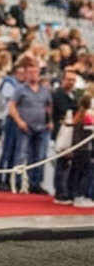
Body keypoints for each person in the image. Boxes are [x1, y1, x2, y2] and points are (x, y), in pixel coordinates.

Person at [8, 59, 53, 195]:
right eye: (30, 72)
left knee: (40, 156)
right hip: (25, 127)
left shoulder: (45, 91)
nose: (33, 75)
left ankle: (36, 183)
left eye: (35, 72)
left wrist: (50, 121)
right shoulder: (20, 90)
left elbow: (48, 106)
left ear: (39, 73)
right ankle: (17, 183)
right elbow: (12, 106)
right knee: (21, 155)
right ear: (26, 74)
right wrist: (19, 121)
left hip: (41, 127)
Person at [52, 69, 78, 203]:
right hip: (62, 132)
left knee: (71, 163)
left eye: (73, 80)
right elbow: (65, 110)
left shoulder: (74, 95)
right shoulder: (59, 95)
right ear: (63, 80)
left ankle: (69, 190)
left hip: (73, 133)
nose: (71, 82)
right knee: (62, 162)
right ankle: (60, 192)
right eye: (69, 80)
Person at [70, 95, 94, 207]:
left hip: (78, 148)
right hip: (85, 149)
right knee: (87, 173)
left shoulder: (78, 115)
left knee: (79, 172)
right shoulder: (87, 117)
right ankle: (80, 195)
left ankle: (76, 195)